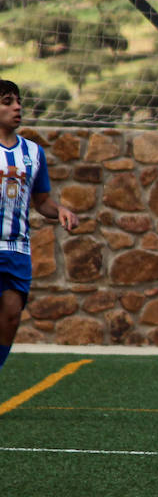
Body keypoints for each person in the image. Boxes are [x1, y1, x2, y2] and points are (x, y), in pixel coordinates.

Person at [0, 80, 78, 372]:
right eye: (7, 101)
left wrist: (60, 210)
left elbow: (41, 201)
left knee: (10, 318)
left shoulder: (33, 153)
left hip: (17, 249)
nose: (17, 107)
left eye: (18, 101)